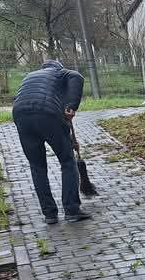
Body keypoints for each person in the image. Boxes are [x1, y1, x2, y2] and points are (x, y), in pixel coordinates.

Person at [12, 59, 90, 225]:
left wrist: (70, 139)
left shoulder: (30, 77)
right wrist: (72, 105)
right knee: (67, 161)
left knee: (37, 166)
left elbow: (27, 100)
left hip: (20, 115)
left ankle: (49, 214)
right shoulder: (59, 73)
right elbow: (77, 76)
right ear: (59, 68)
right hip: (47, 112)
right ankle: (72, 210)